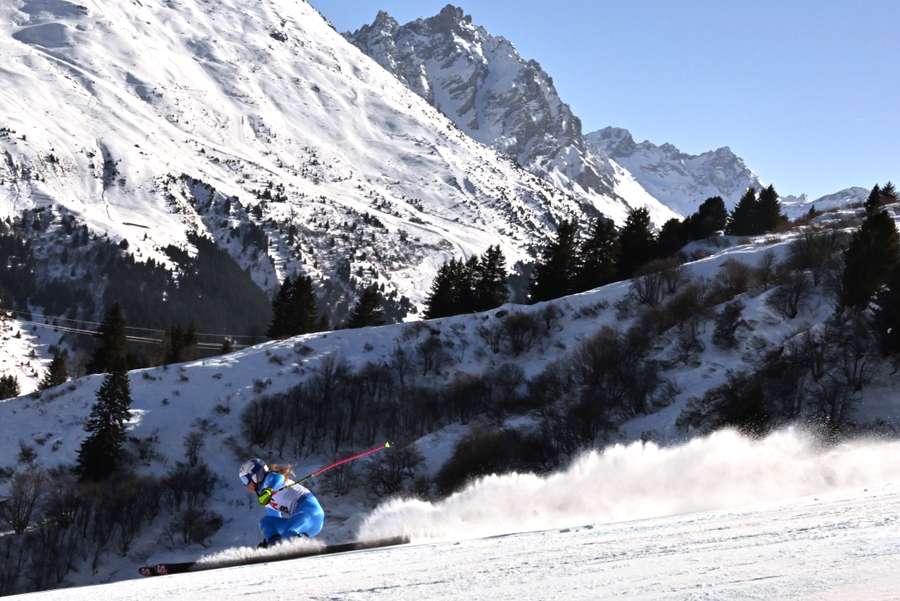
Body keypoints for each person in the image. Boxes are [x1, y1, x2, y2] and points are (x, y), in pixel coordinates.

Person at [238, 458, 325, 548]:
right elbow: (275, 520)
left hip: (311, 514)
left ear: (255, 476)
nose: (246, 485)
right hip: (299, 523)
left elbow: (278, 478)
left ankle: (295, 542)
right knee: (266, 522)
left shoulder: (270, 478)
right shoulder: (265, 497)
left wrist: (269, 491)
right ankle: (273, 546)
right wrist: (272, 539)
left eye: (245, 480)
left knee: (288, 535)